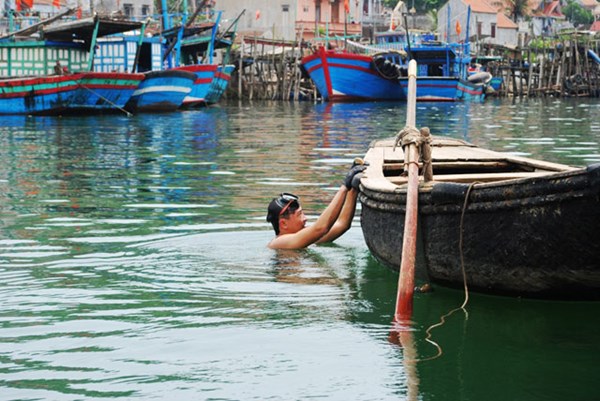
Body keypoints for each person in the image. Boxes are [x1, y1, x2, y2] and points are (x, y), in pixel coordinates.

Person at [266, 162, 366, 249]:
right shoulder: (279, 243)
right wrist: (344, 186)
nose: (305, 219)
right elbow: (321, 228)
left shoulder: (304, 238)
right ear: (283, 224)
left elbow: (342, 224)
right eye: (299, 215)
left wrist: (352, 189)